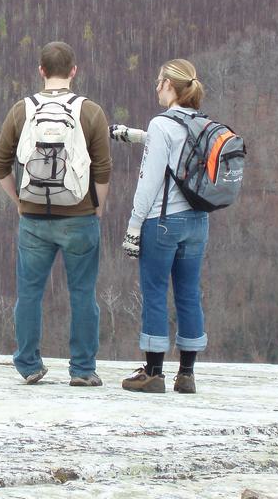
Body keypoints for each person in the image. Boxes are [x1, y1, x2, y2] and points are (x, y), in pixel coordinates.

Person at [0, 41, 112, 386]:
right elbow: (102, 169)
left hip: (33, 219)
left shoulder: (21, 110)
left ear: (41, 70)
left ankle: (29, 364)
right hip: (80, 216)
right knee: (83, 294)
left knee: (29, 293)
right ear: (74, 71)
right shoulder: (90, 112)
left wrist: (18, 199)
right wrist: (97, 205)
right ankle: (83, 370)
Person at [114, 58, 209, 394]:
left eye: (159, 82)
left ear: (171, 86)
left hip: (162, 221)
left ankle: (153, 373)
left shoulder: (161, 124)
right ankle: (187, 374)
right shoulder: (202, 124)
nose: (156, 87)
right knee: (188, 294)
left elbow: (149, 181)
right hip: (198, 222)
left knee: (155, 292)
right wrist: (136, 136)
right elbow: (175, 151)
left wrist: (134, 225)